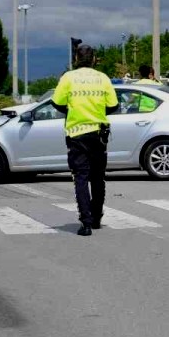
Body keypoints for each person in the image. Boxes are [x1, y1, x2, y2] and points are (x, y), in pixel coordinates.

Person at [52, 44, 118, 236]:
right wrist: (97, 112)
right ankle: (97, 218)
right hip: (98, 134)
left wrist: (73, 110)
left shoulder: (68, 78)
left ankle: (86, 223)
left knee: (80, 177)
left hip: (76, 134)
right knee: (98, 178)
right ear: (94, 59)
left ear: (75, 59)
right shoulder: (102, 78)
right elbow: (113, 106)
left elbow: (56, 102)